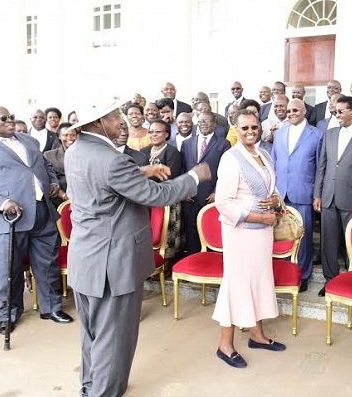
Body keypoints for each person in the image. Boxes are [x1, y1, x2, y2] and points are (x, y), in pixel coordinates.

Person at [65, 101, 210, 396]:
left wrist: (142, 170)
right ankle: (104, 392)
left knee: (92, 332)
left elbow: (105, 181)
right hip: (114, 264)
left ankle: (91, 386)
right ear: (96, 123)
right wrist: (195, 176)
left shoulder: (75, 150)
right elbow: (156, 195)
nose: (120, 120)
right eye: (112, 115)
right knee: (115, 336)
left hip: (86, 259)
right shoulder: (111, 159)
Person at [0, 106, 74, 335]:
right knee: (7, 270)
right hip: (8, 219)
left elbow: (45, 166)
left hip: (41, 212)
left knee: (48, 263)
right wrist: (1, 202)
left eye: (11, 116)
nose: (10, 120)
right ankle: (9, 314)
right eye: (3, 118)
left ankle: (51, 308)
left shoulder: (28, 141)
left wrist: (53, 184)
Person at [212, 109, 286, 369]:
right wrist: (258, 217)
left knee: (258, 280)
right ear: (236, 129)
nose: (251, 132)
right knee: (236, 284)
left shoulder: (264, 154)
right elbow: (223, 202)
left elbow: (272, 187)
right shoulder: (230, 158)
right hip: (241, 232)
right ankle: (225, 344)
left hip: (263, 233)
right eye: (244, 128)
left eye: (254, 127)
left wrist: (277, 200)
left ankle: (256, 335)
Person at [313, 96, 352, 296]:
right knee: (328, 243)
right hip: (328, 197)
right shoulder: (329, 134)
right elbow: (321, 166)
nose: (336, 114)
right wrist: (318, 194)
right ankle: (330, 281)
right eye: (335, 111)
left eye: (340, 111)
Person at [271, 98, 322, 292]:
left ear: (304, 112)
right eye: (288, 110)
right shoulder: (280, 133)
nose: (291, 113)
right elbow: (274, 162)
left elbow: (319, 167)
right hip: (281, 193)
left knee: (304, 236)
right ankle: (284, 271)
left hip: (303, 192)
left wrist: (317, 193)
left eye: (295, 110)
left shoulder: (316, 134)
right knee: (282, 234)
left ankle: (303, 274)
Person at [181, 111, 231, 255]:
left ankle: (211, 267)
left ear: (214, 124)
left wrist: (217, 191)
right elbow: (183, 168)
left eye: (207, 121)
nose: (203, 124)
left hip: (210, 196)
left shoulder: (224, 144)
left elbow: (226, 171)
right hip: (190, 196)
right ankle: (193, 265)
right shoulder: (187, 143)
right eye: (201, 121)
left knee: (211, 232)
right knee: (191, 233)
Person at [141, 119, 185, 262]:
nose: (154, 134)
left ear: (166, 134)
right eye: (151, 132)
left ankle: (166, 264)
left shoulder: (173, 152)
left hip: (167, 201)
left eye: (158, 132)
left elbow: (169, 177)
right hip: (146, 200)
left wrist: (148, 177)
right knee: (150, 232)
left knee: (166, 233)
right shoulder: (144, 152)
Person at [44, 122, 78, 206]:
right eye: (65, 135)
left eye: (73, 135)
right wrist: (64, 196)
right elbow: (49, 179)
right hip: (59, 202)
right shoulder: (49, 155)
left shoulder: (85, 155)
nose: (69, 138)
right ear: (59, 136)